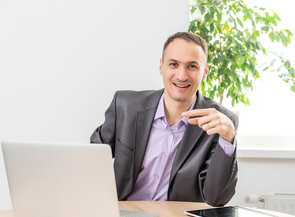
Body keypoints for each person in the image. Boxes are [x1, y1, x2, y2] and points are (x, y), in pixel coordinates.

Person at [91, 32, 238, 206]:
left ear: (204, 72)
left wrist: (228, 139)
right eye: (174, 64)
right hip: (122, 215)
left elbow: (216, 198)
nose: (182, 76)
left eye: (192, 66)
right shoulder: (125, 106)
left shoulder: (220, 123)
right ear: (161, 67)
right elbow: (92, 164)